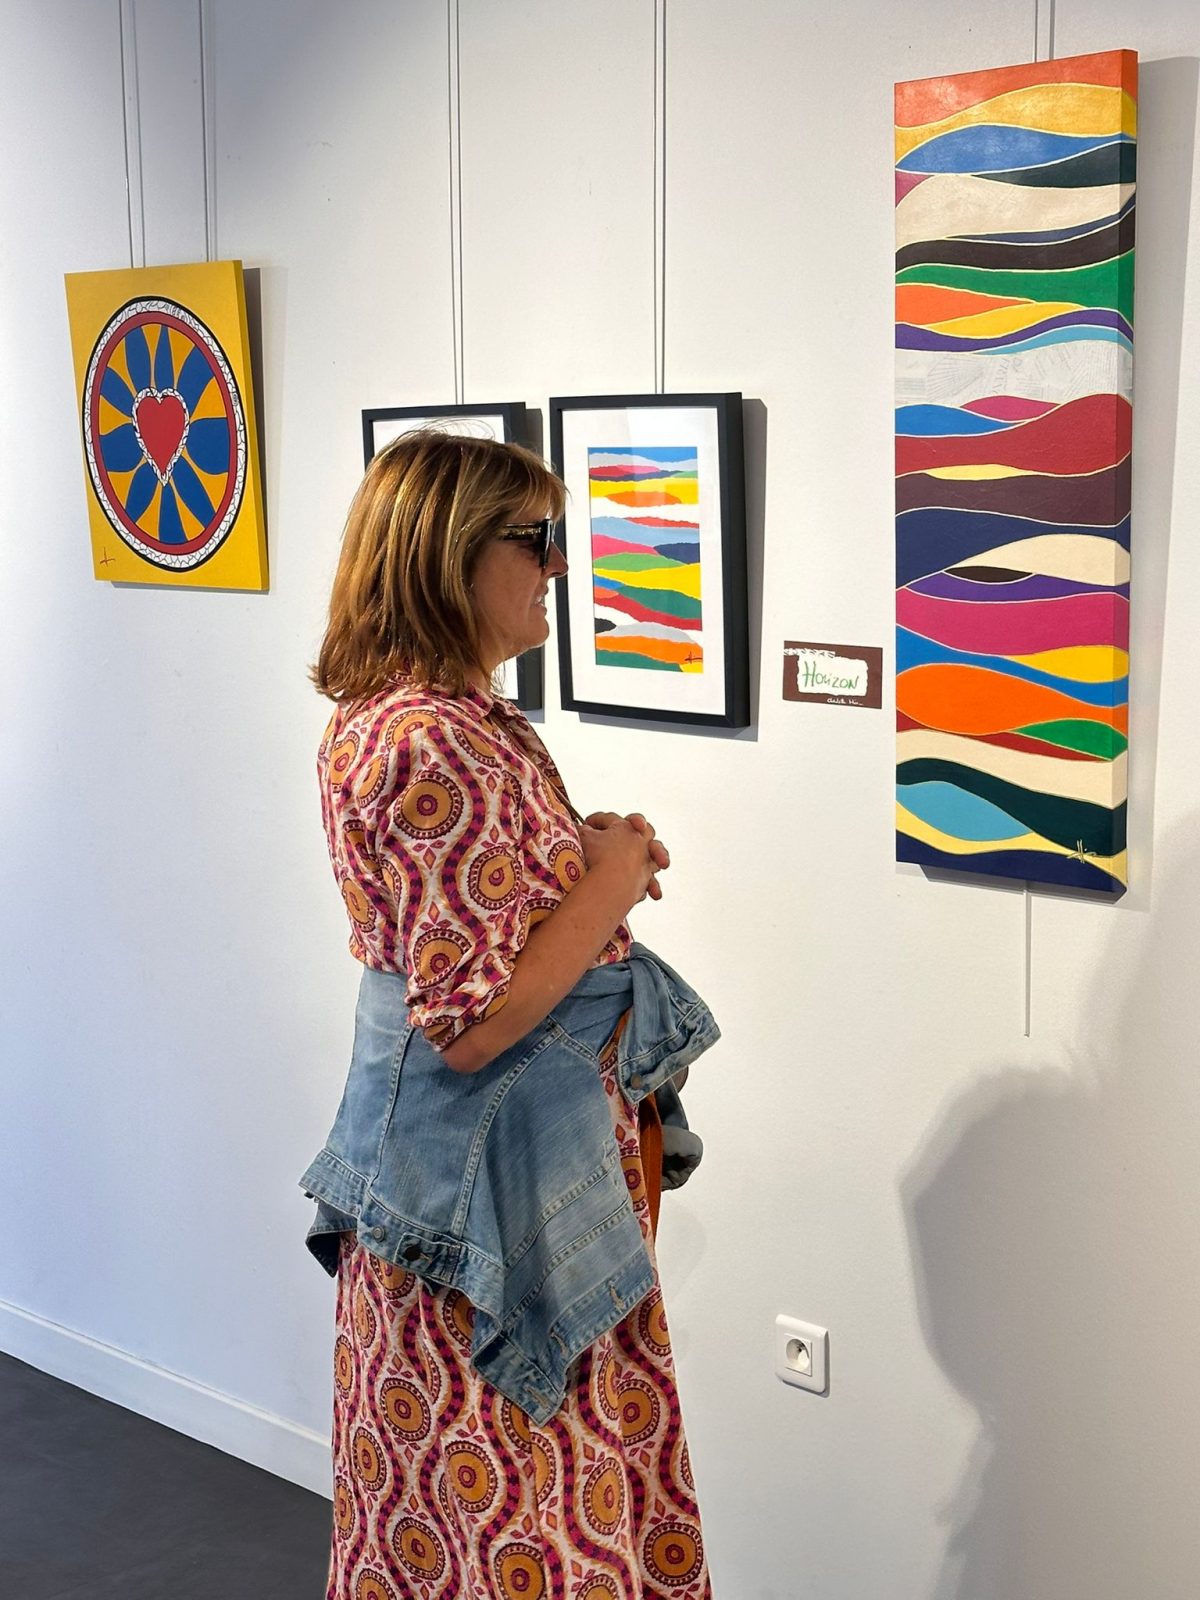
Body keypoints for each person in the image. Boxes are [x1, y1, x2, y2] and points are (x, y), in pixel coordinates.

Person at [300, 430, 719, 1599]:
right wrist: (611, 879)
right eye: (535, 539)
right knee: (512, 1516)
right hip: (480, 1210)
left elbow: (483, 924)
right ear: (448, 553)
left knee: (471, 1515)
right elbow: (471, 1018)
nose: (558, 565)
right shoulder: (430, 738)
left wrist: (587, 859)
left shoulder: (448, 719)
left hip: (494, 1178)